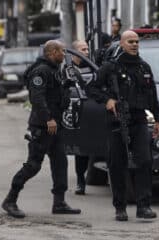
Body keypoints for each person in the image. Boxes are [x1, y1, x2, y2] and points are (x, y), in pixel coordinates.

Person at [1, 40, 81, 218]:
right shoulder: (41, 71)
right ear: (52, 52)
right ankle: (10, 200)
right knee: (32, 165)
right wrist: (48, 119)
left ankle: (59, 203)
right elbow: (37, 98)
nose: (64, 54)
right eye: (61, 51)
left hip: (56, 126)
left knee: (60, 162)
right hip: (42, 126)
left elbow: (56, 95)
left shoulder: (55, 70)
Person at [87, 30, 159, 221]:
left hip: (138, 119)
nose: (135, 44)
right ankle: (120, 207)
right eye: (130, 41)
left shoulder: (143, 67)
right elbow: (91, 88)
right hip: (116, 120)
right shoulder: (110, 67)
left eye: (137, 41)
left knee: (145, 161)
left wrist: (157, 119)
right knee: (117, 164)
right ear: (122, 44)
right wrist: (107, 100)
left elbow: (152, 94)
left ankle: (143, 206)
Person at [71, 40, 91, 195]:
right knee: (79, 149)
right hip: (74, 111)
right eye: (83, 49)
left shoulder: (91, 66)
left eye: (87, 49)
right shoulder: (68, 69)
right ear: (75, 52)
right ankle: (80, 180)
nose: (86, 52)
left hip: (91, 110)